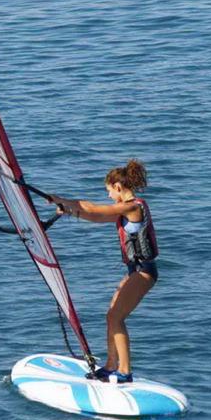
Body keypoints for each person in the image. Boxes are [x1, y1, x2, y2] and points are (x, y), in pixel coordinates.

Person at [48, 159, 158, 384]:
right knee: (111, 316)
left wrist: (62, 199)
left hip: (144, 272)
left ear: (118, 187)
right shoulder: (124, 211)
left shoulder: (133, 207)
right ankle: (110, 366)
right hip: (134, 271)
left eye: (109, 191)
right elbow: (96, 216)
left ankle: (124, 372)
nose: (108, 196)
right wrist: (69, 211)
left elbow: (95, 208)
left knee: (116, 317)